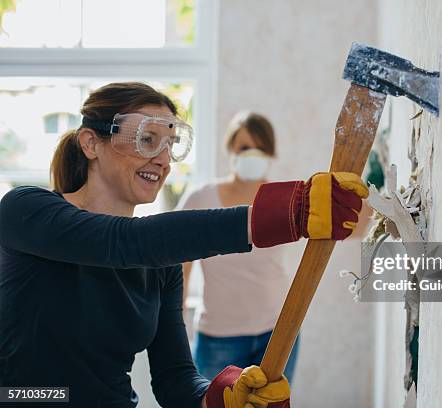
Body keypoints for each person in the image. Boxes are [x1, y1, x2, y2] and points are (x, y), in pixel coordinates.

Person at [0, 82, 368, 408]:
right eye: (147, 140)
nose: (162, 159)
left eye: (171, 145)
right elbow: (125, 243)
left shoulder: (161, 267)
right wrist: (287, 212)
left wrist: (220, 396)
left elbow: (175, 378)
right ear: (91, 142)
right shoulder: (26, 210)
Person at [180, 112, 299, 383]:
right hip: (219, 337)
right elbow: (180, 268)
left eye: (261, 148)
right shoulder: (200, 199)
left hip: (278, 331)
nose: (253, 155)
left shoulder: (286, 199)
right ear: (230, 149)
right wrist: (176, 324)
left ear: (271, 153)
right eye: (245, 147)